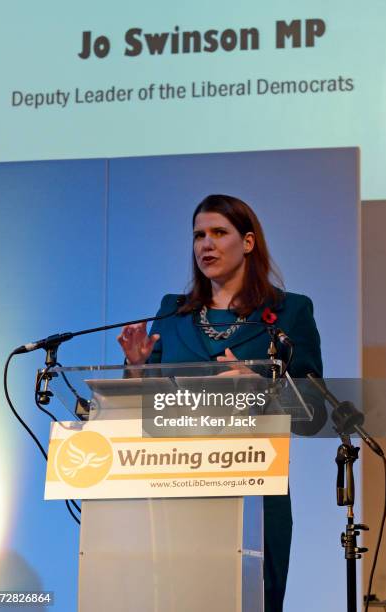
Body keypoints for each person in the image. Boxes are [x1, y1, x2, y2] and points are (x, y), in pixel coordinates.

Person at [117, 194, 324, 612]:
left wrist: (264, 387)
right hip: (175, 484)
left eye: (218, 233)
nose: (205, 245)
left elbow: (315, 411)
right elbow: (145, 408)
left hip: (255, 488)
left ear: (248, 242)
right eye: (198, 235)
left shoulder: (289, 312)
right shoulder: (173, 314)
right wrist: (137, 370)